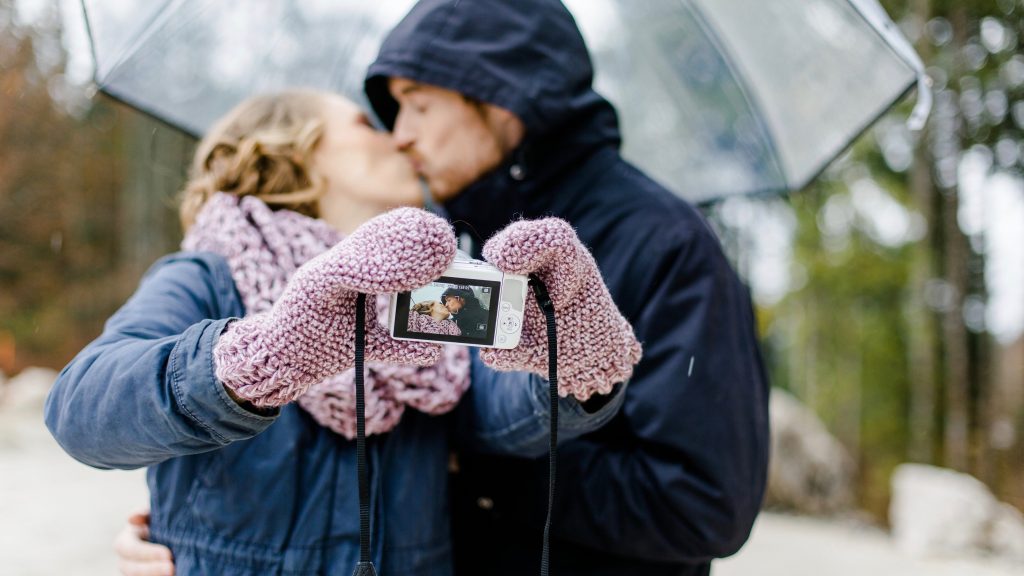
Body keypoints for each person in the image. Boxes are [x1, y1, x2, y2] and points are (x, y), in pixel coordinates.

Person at [46, 89, 630, 575]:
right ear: (286, 151)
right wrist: (259, 359)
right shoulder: (206, 276)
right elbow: (82, 410)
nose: (399, 137)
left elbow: (499, 411)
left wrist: (571, 366)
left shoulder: (428, 290)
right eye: (366, 122)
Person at [361, 0, 772, 574]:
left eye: (420, 105)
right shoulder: (455, 241)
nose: (399, 135)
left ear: (504, 100)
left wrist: (472, 465)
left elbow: (703, 503)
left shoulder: (664, 243)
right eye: (395, 108)